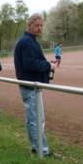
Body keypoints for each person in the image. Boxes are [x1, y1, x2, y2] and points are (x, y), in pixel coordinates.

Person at [14, 13, 57, 156]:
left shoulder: (28, 41)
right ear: (29, 25)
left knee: (34, 119)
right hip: (30, 86)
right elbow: (30, 64)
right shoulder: (27, 42)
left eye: (41, 25)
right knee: (37, 119)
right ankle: (41, 151)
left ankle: (36, 147)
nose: (40, 28)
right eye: (37, 25)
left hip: (30, 85)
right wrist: (48, 66)